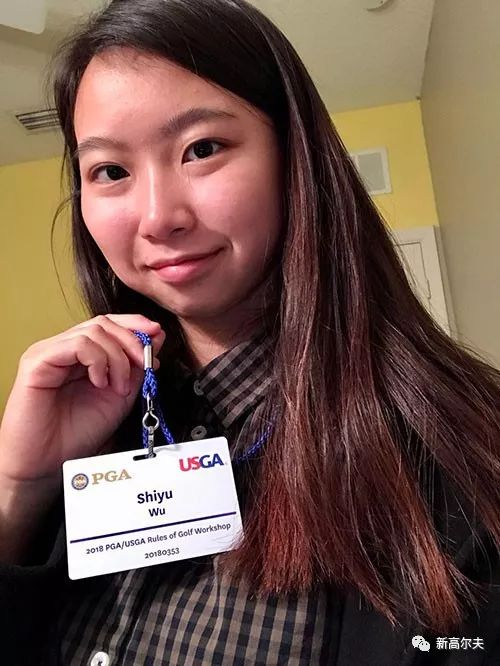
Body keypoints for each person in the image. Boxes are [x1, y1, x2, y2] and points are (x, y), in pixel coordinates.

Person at [0, 0, 499, 663]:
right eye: (111, 171)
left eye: (202, 149)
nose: (158, 217)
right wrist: (20, 491)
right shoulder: (92, 425)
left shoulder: (468, 449)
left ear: (295, 158)